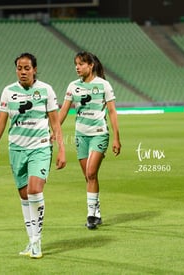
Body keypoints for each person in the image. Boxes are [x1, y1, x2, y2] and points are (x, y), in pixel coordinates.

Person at [0, 53, 66, 258]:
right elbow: (1, 121)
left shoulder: (46, 90)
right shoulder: (8, 92)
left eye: (27, 68)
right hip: (16, 149)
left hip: (40, 147)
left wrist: (62, 149)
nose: (23, 72)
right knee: (24, 196)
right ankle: (31, 240)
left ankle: (37, 242)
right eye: (19, 68)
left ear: (34, 70)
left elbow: (55, 122)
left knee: (34, 190)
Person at [59, 51, 121, 230]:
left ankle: (91, 215)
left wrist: (117, 137)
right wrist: (54, 130)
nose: (77, 67)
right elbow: (63, 110)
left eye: (81, 64)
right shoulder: (73, 86)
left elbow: (112, 112)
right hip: (81, 135)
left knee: (91, 172)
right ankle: (97, 210)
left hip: (99, 133)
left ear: (90, 65)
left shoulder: (103, 85)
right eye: (76, 64)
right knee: (88, 176)